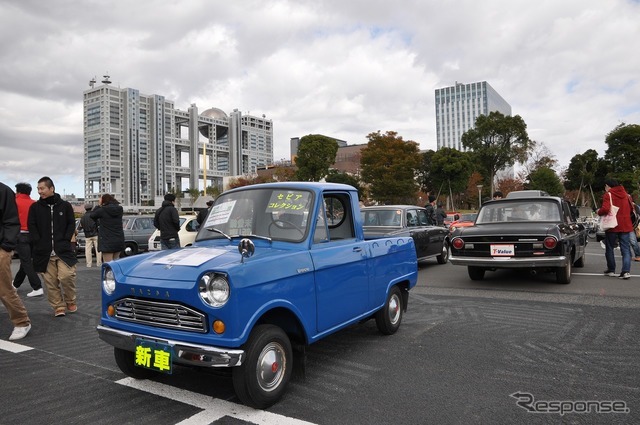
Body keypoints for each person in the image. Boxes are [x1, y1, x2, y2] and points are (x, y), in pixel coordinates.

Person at [28, 176, 78, 317]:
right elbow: (32, 225)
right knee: (50, 281)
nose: (40, 191)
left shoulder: (65, 206)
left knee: (66, 276)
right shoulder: (35, 207)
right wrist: (38, 242)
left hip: (63, 249)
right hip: (44, 251)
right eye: (38, 188)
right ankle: (58, 306)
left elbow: (71, 223)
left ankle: (70, 300)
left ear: (51, 188)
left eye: (42, 188)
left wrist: (65, 238)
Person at [0, 181, 32, 340]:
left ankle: (21, 322)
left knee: (4, 288)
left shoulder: (4, 191)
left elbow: (12, 220)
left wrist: (6, 246)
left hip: (1, 247)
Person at [595, 178, 633, 279]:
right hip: (625, 225)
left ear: (608, 186)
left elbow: (606, 209)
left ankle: (611, 270)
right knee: (625, 249)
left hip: (612, 225)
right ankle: (626, 272)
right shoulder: (627, 195)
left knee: (610, 247)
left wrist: (598, 212)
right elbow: (632, 209)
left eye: (605, 186)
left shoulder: (608, 195)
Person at [12, 182, 43, 297]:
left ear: (18, 191)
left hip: (20, 235)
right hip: (33, 236)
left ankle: (37, 286)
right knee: (25, 262)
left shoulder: (14, 202)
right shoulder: (34, 203)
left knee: (26, 262)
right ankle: (15, 284)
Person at [90, 194, 125, 262]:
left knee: (108, 265)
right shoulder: (120, 209)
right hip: (118, 239)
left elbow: (92, 215)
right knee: (116, 263)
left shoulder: (102, 210)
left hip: (107, 240)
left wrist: (99, 205)